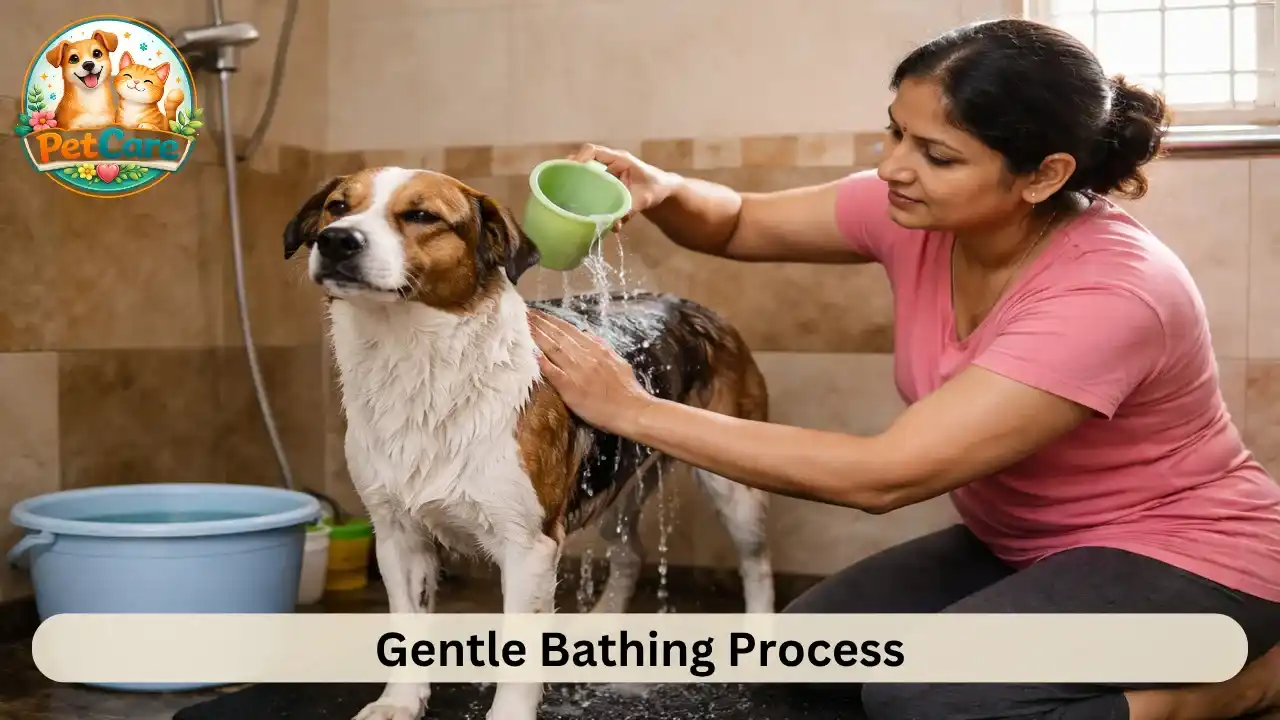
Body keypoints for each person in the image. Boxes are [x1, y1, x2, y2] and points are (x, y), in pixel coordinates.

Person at [527, 16, 1280, 720]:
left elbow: (884, 475)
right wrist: (661, 189)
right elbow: (738, 222)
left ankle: (1237, 687)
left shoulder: (1111, 292)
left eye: (936, 154)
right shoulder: (921, 214)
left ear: (1045, 176)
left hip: (1190, 555)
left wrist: (632, 410)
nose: (893, 168)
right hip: (1020, 544)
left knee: (924, 695)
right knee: (800, 663)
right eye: (895, 133)